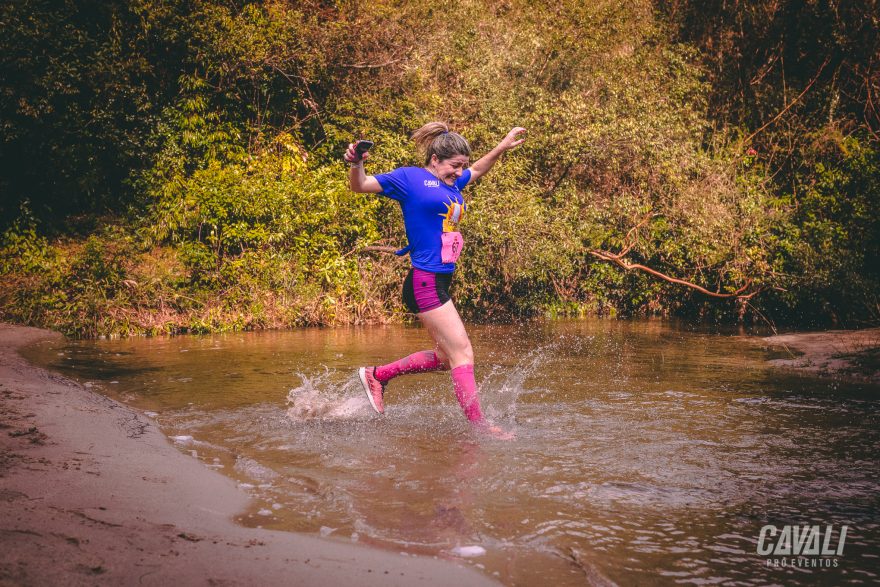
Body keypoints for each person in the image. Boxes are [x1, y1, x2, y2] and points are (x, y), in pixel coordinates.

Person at [345, 122, 526, 434]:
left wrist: (501, 146)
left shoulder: (453, 186)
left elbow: (479, 169)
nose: (459, 172)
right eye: (454, 166)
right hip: (425, 280)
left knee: (446, 357)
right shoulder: (410, 179)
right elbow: (360, 185)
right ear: (435, 160)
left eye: (462, 167)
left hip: (440, 281)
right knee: (462, 353)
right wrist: (356, 162)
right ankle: (480, 426)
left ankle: (378, 375)